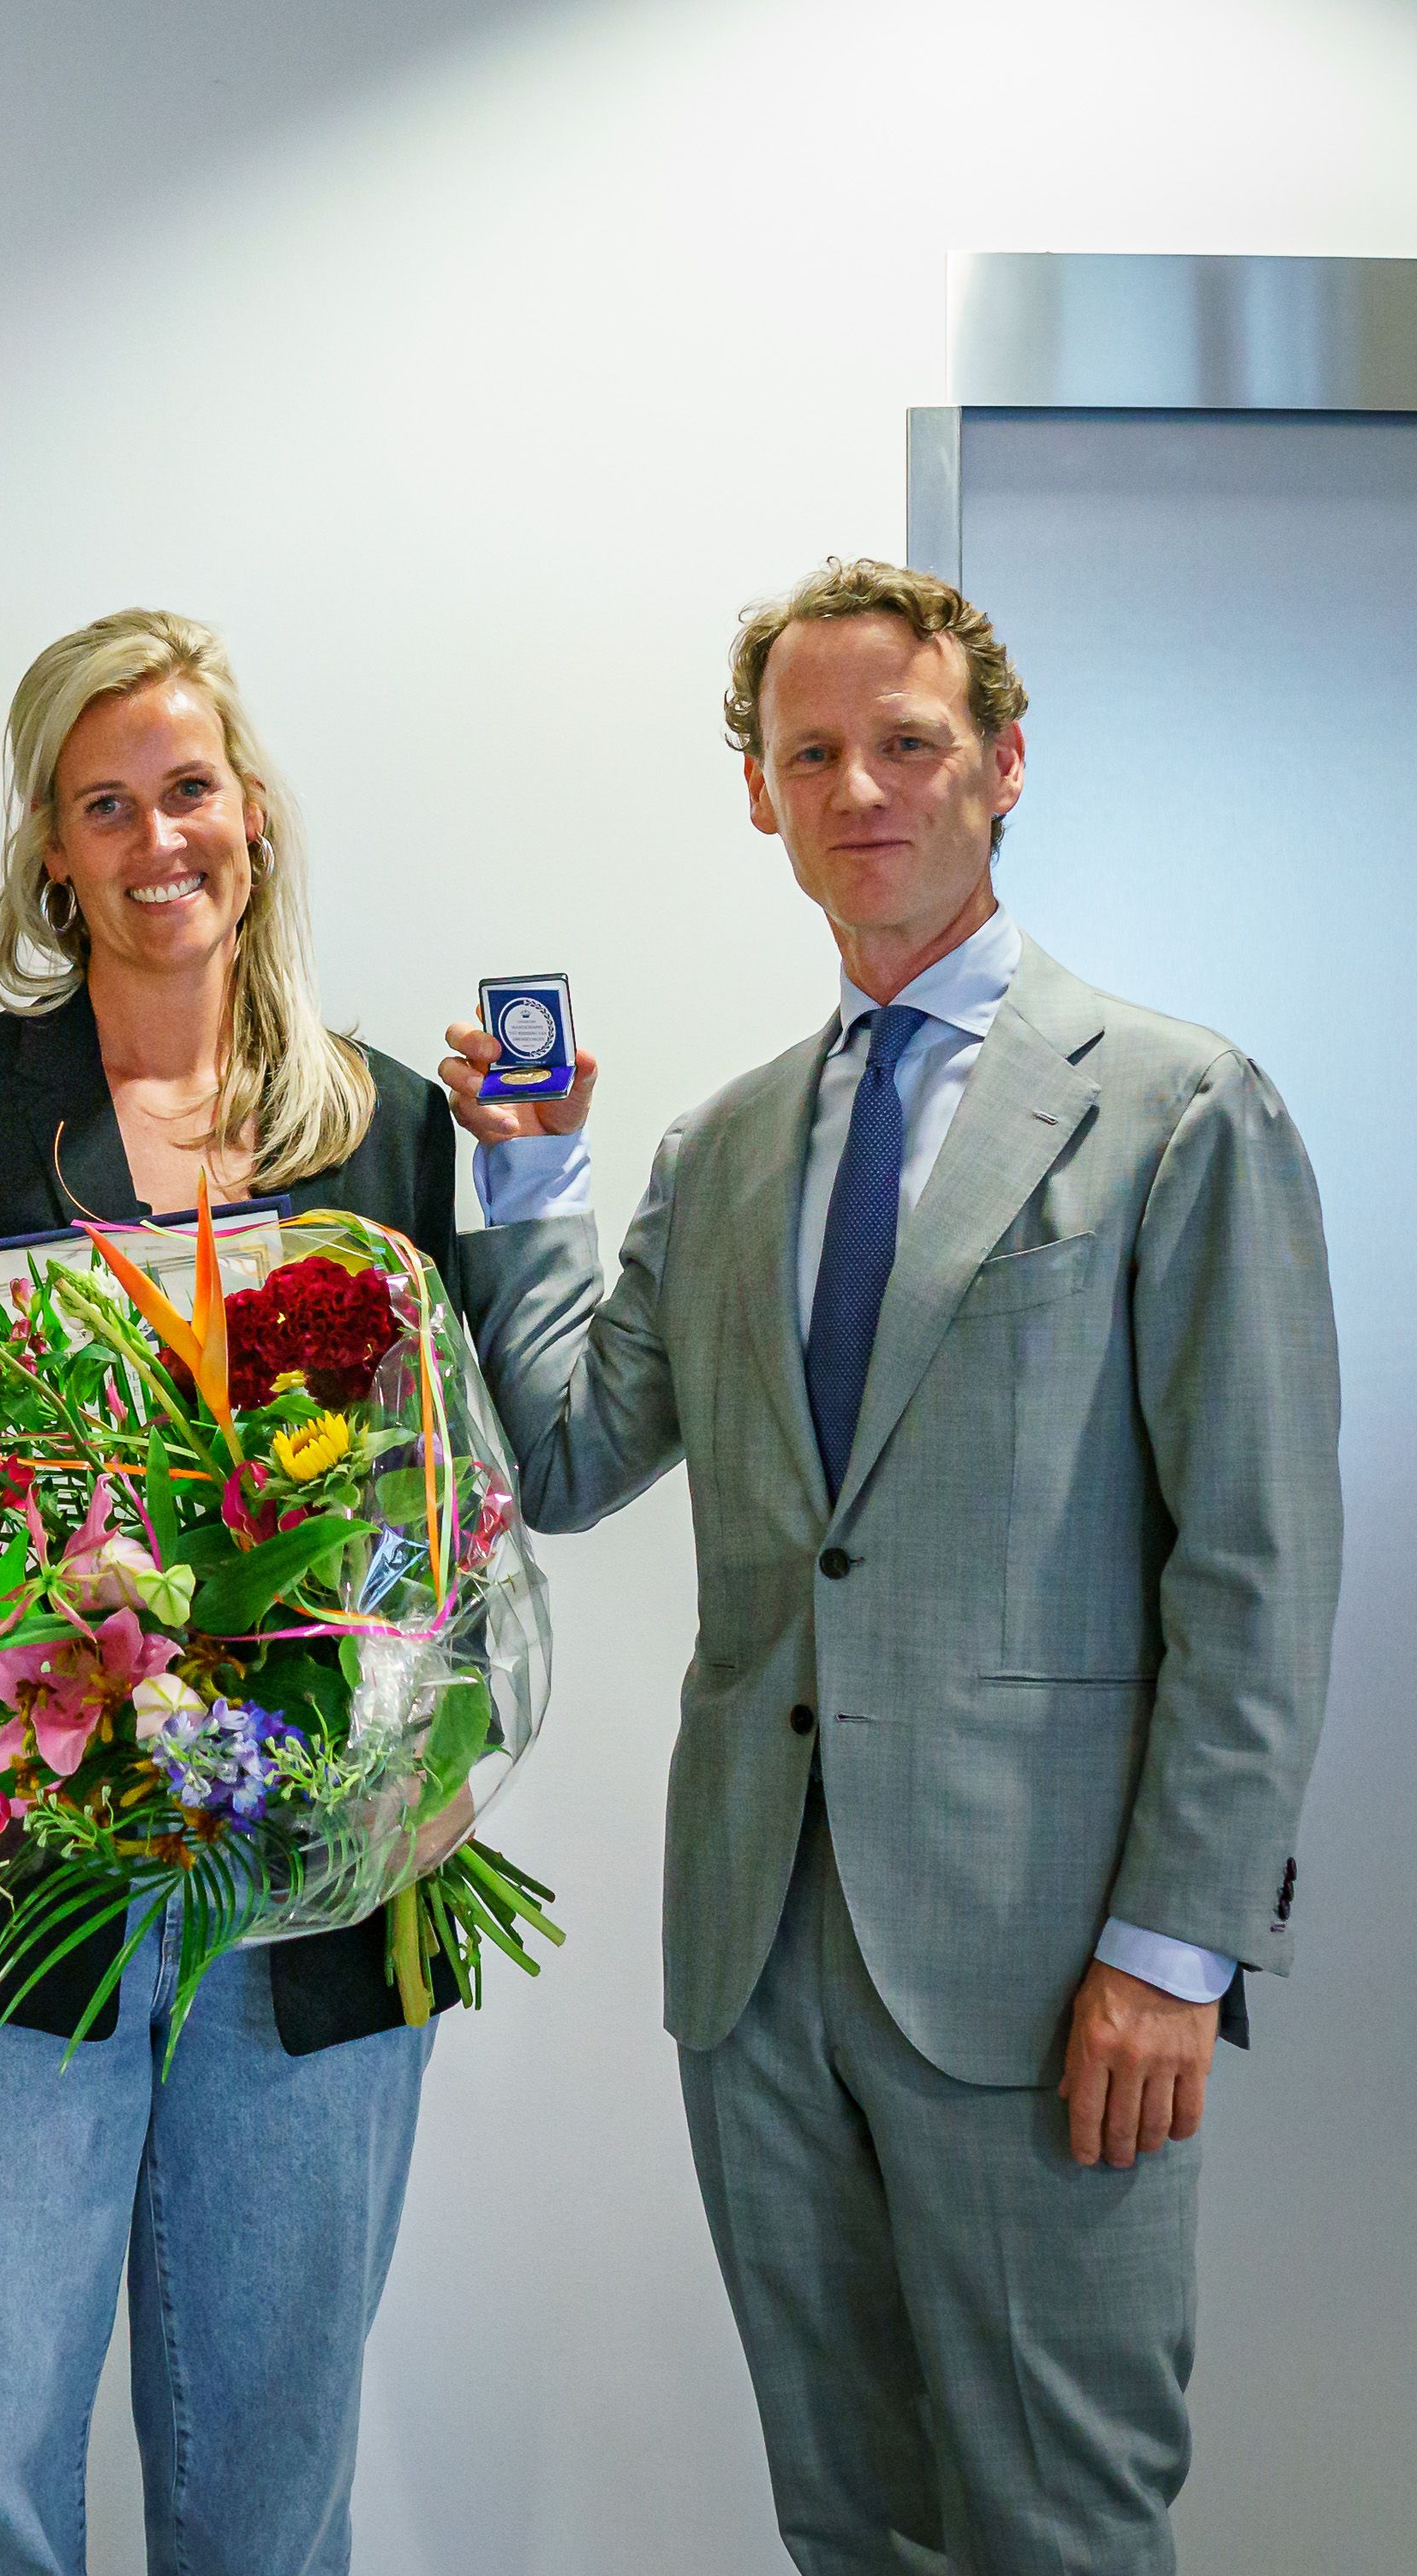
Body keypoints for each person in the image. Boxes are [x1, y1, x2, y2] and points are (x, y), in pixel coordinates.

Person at [446, 559, 1339, 2573]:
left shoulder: (1175, 1107)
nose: (864, 786)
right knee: (851, 2522)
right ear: (761, 799)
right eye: (811, 753)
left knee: (1059, 2522)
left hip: (1048, 1970)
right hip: (758, 1955)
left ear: (1003, 762)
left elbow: (1257, 1564)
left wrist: (1176, 1945)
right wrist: (523, 1181)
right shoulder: (722, 1145)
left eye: (908, 742)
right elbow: (569, 1462)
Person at [0, 608, 526, 2576]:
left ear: (249, 812)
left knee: (268, 2489)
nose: (153, 834)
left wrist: (420, 1749)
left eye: (185, 787)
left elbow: (464, 1517)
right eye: (104, 804)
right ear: (50, 848)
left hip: (316, 1909)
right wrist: (19, 1700)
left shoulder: (391, 1128)